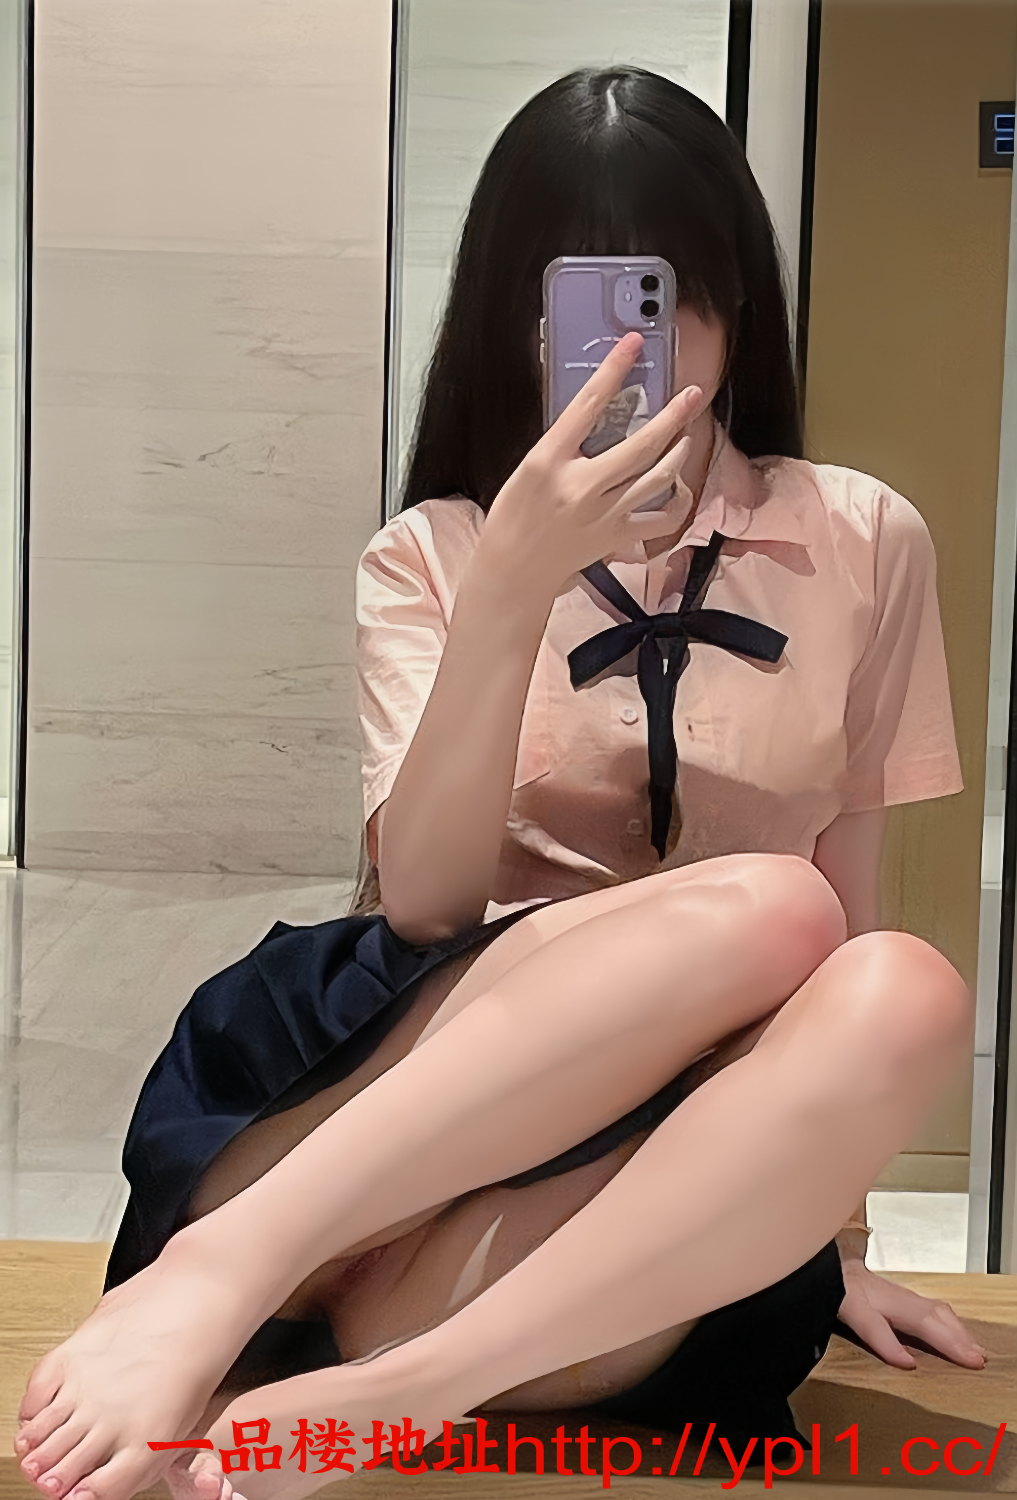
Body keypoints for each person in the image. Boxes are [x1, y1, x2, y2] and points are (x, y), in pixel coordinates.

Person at [16, 66, 982, 1500]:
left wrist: (822, 1231)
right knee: (772, 910)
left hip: (619, 1218)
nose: (635, 351)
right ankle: (223, 1269)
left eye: (673, 297)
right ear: (514, 325)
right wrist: (515, 586)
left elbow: (857, 911)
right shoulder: (434, 551)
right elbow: (426, 899)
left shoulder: (865, 541)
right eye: (585, 307)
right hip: (388, 1128)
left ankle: (402, 1391)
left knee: (895, 979)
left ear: (734, 305)